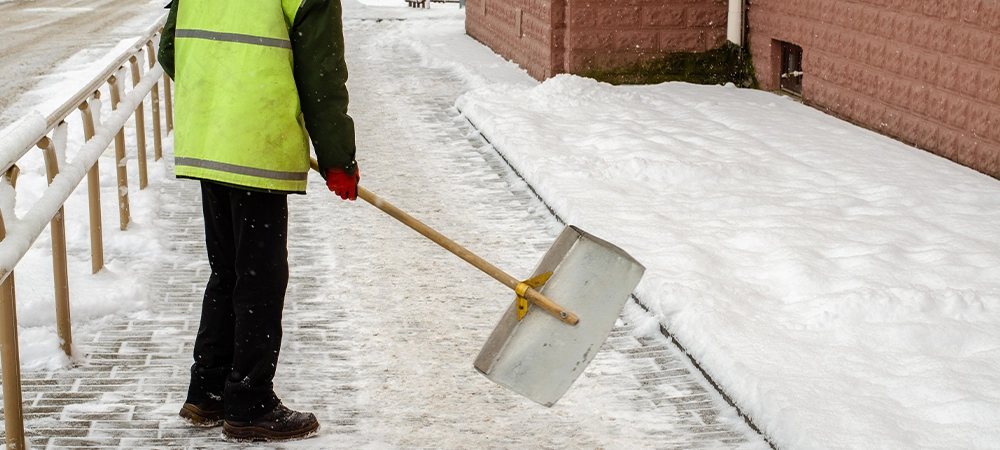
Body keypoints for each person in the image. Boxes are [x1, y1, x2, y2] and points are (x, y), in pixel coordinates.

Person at [158, 0, 359, 441]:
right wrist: (337, 158)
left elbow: (169, 51)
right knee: (259, 280)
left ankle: (208, 391)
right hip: (256, 144)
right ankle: (250, 403)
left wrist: (220, 96)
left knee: (229, 272)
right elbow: (321, 76)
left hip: (208, 138)